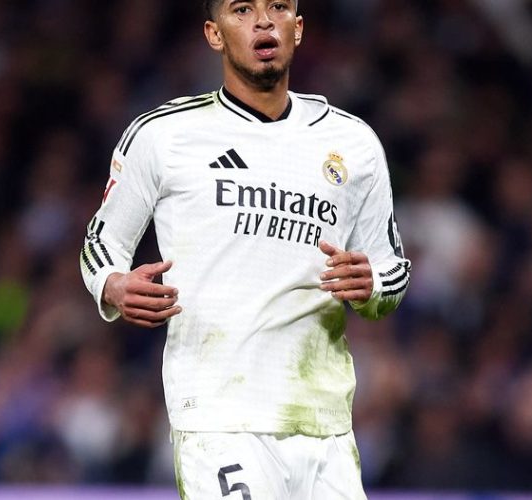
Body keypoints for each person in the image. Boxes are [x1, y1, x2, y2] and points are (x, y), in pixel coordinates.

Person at [79, 0, 410, 497]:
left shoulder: (354, 143)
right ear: (214, 34)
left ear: (297, 29)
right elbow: (101, 242)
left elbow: (392, 271)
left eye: (278, 7)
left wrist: (373, 286)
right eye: (242, 9)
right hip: (219, 417)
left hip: (325, 425)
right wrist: (113, 285)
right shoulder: (163, 135)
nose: (262, 21)